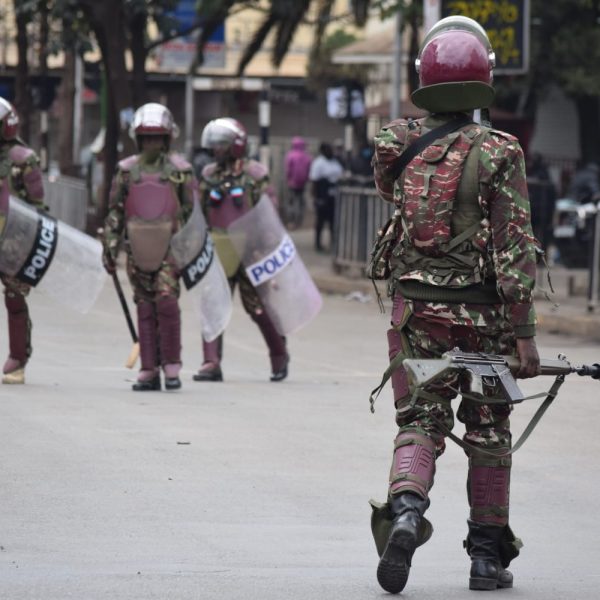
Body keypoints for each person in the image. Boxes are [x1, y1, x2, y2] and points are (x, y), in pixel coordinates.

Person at [370, 16, 540, 594]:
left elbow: (395, 201)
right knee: (488, 428)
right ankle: (486, 559)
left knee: (420, 419)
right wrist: (524, 334)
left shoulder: (395, 143)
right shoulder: (501, 151)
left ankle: (409, 510)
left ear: (425, 78)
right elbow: (515, 247)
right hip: (485, 321)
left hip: (418, 314)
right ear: (484, 78)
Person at [102, 102, 196, 392]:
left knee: (166, 301)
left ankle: (171, 365)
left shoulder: (181, 172)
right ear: (139, 139)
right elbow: (116, 211)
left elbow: (193, 215)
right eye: (147, 137)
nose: (152, 143)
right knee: (144, 304)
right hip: (137, 247)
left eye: (157, 137)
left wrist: (191, 252)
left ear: (167, 138)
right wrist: (110, 247)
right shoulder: (126, 171)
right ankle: (149, 368)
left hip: (170, 248)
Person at [193, 117, 289, 383]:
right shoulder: (209, 174)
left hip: (251, 251)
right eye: (214, 146)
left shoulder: (255, 174)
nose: (217, 150)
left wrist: (266, 249)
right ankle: (211, 362)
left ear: (237, 145)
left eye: (222, 145)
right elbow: (199, 211)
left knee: (258, 308)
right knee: (213, 305)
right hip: (219, 248)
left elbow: (269, 214)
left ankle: (279, 355)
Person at [0, 97, 45, 384]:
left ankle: (18, 357)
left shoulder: (23, 159)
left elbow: (37, 204)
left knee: (15, 298)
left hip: (13, 240)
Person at [309, 142, 343, 252]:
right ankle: (318, 244)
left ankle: (333, 243)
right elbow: (314, 181)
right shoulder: (318, 163)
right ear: (323, 151)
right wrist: (315, 197)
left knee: (333, 221)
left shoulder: (335, 162)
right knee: (320, 221)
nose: (331, 152)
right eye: (328, 150)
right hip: (322, 194)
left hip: (334, 194)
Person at [284, 136, 312, 229]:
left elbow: (288, 170)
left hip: (292, 183)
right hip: (302, 183)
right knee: (300, 202)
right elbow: (309, 170)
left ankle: (291, 221)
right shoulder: (307, 156)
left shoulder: (290, 155)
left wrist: (288, 179)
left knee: (291, 202)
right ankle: (299, 221)